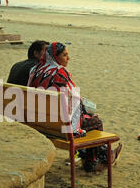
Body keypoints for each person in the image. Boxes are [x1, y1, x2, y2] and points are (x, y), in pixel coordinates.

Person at [27, 42, 123, 172]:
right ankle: (92, 162)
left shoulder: (36, 70)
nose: (68, 58)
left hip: (38, 122)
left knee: (87, 118)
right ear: (55, 56)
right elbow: (75, 99)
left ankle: (102, 155)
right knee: (96, 121)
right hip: (60, 127)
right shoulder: (60, 72)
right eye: (65, 55)